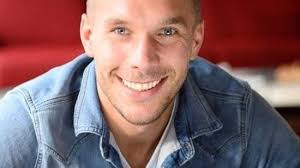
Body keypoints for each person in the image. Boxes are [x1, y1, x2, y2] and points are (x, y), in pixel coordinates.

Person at [0, 0, 299, 167]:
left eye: (167, 32)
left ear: (196, 40)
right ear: (88, 37)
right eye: (120, 30)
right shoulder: (27, 125)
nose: (142, 60)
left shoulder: (242, 116)